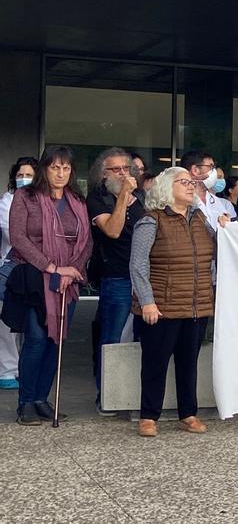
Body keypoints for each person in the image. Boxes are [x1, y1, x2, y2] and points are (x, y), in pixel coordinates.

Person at [5, 147, 94, 425]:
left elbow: (86, 241)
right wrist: (53, 267)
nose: (60, 173)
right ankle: (26, 402)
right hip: (35, 277)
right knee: (36, 339)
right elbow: (19, 237)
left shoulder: (77, 200)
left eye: (66, 168)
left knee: (56, 342)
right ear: (45, 169)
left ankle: (42, 399)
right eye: (55, 167)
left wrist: (72, 270)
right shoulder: (26, 196)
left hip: (68, 280)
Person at [129, 167, 218, 437]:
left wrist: (226, 230)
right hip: (162, 306)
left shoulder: (200, 218)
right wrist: (147, 301)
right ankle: (148, 416)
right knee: (155, 362)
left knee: (188, 362)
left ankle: (188, 414)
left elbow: (218, 249)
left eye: (192, 183)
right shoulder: (151, 221)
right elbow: (138, 264)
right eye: (184, 182)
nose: (191, 186)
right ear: (167, 188)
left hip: (195, 304)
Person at [85, 148, 145, 415]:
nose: (123, 173)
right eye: (116, 169)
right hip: (117, 277)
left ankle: (132, 392)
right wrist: (122, 196)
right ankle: (107, 396)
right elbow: (113, 229)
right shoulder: (97, 199)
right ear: (103, 173)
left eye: (126, 169)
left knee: (142, 337)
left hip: (143, 277)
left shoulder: (142, 198)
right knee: (112, 338)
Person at [0, 157, 37, 391]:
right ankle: (7, 370)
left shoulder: (45, 200)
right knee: (7, 323)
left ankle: (27, 370)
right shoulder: (8, 201)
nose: (24, 179)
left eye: (29, 174)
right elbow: (14, 234)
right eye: (20, 174)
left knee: (32, 322)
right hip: (12, 268)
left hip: (37, 268)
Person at [181, 150, 235, 232]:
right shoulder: (181, 200)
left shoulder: (217, 202)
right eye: (210, 167)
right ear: (195, 170)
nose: (214, 172)